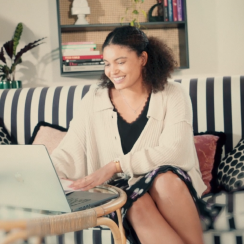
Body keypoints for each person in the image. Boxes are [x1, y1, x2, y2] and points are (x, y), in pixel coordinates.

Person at [51, 26, 208, 244]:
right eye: (107, 63)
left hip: (172, 187)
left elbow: (178, 152)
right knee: (135, 200)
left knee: (165, 180)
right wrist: (45, 174)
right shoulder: (94, 100)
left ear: (143, 58)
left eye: (120, 61)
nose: (112, 70)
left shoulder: (173, 94)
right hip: (122, 191)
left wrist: (115, 165)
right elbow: (70, 150)